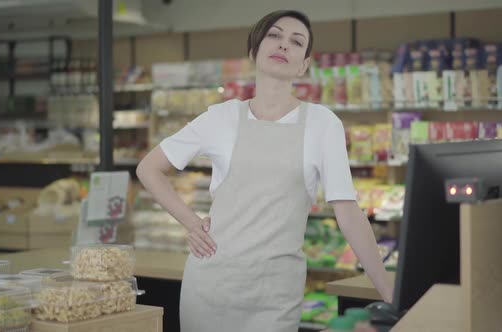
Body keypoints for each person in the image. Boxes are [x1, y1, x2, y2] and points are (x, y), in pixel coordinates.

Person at [136, 10, 393, 332]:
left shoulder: (323, 124)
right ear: (254, 52)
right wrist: (192, 223)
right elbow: (149, 168)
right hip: (210, 287)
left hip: (275, 295)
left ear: (304, 65)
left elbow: (348, 212)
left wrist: (390, 294)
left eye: (296, 41)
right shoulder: (220, 118)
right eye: (274, 35)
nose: (284, 45)